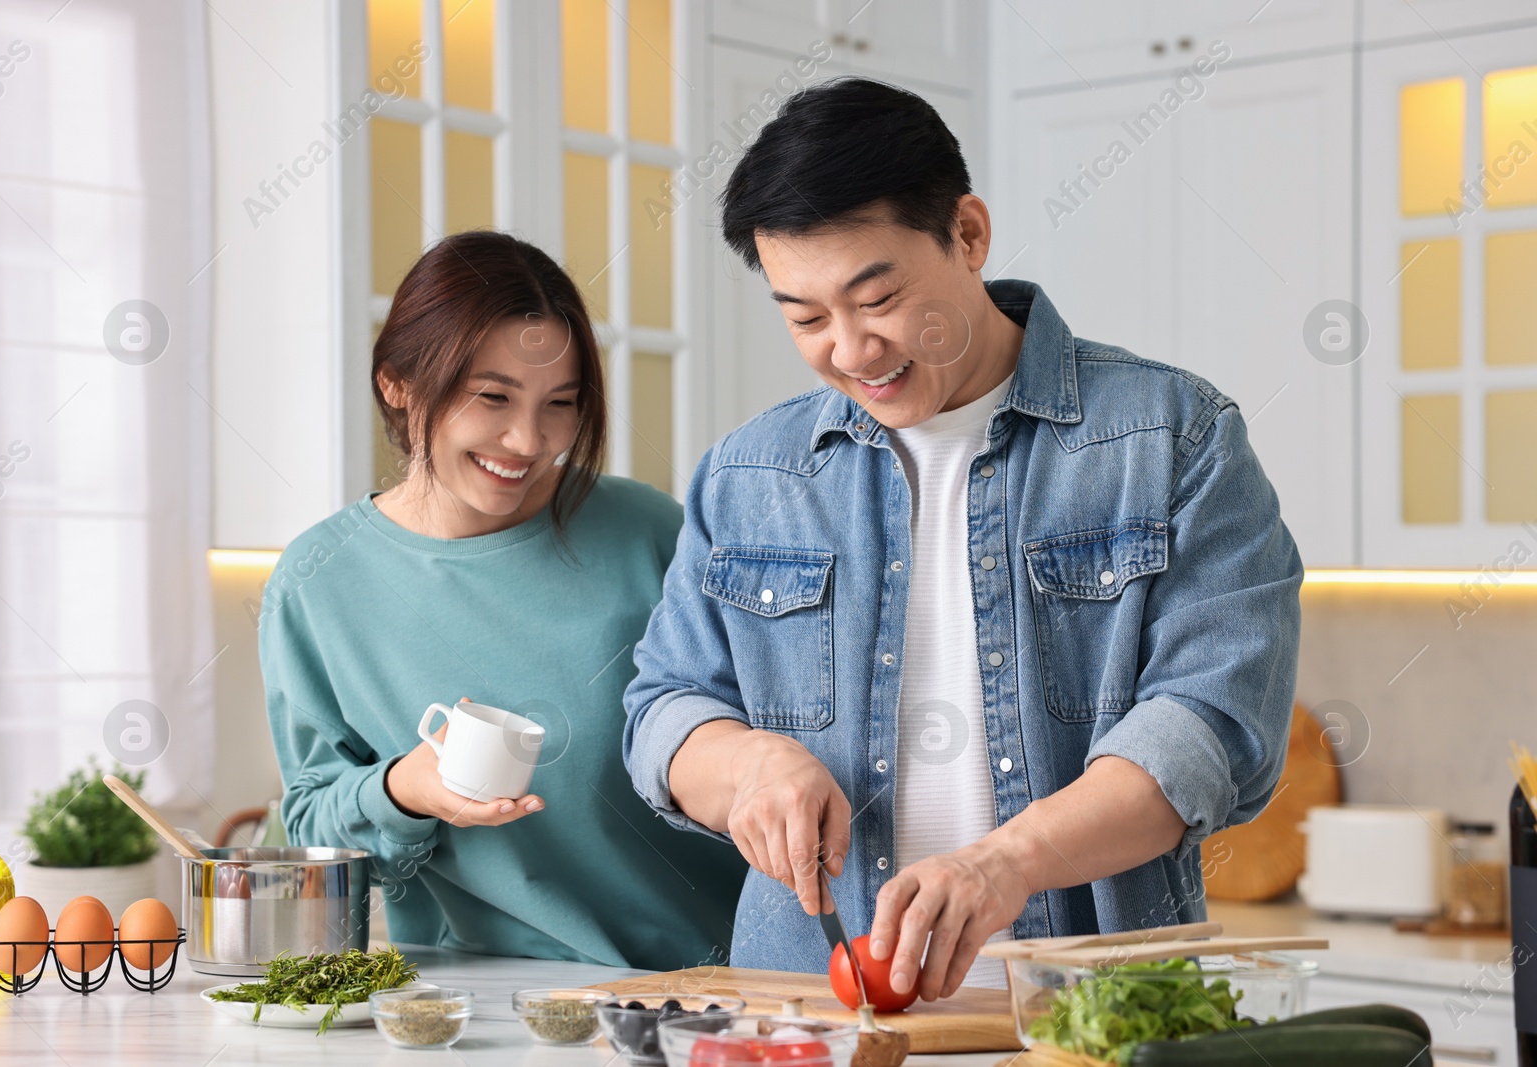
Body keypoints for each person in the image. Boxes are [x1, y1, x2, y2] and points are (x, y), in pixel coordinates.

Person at [623, 78, 1302, 998]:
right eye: (807, 317)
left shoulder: (1171, 436)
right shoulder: (750, 476)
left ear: (969, 234)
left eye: (879, 297)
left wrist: (1004, 863)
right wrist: (748, 763)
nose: (853, 350)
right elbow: (664, 708)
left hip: (1091, 1013)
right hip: (809, 1012)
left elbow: (1210, 726)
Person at [261, 231, 745, 969]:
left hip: (716, 979)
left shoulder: (648, 532)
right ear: (398, 382)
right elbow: (311, 832)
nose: (528, 439)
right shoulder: (318, 581)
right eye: (493, 397)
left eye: (560, 403)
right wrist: (402, 789)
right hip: (490, 999)